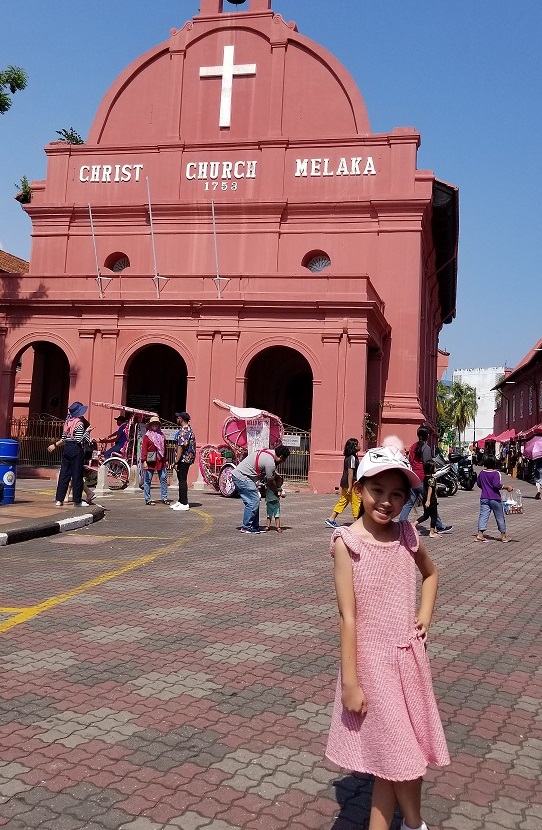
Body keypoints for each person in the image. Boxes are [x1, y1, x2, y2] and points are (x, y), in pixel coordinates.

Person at [325, 445, 449, 830]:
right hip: (372, 667)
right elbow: (348, 618)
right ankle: (415, 824)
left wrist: (423, 617)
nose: (387, 501)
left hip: (408, 661)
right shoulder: (348, 543)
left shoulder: (407, 534)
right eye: (378, 490)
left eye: (398, 494)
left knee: (392, 760)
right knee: (400, 754)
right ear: (359, 488)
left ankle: (411, 825)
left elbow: (431, 574)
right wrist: (350, 682)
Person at [399, 426, 453, 533]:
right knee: (431, 502)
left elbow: (410, 461)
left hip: (413, 477)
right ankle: (439, 525)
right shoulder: (426, 448)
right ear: (427, 436)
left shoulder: (413, 447)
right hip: (423, 478)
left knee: (409, 503)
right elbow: (428, 465)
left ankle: (401, 523)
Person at [231, 445, 291, 534]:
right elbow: (270, 482)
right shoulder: (270, 462)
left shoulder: (270, 453)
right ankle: (247, 527)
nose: (282, 462)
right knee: (253, 501)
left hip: (242, 476)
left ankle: (254, 526)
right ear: (281, 456)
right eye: (283, 460)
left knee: (254, 500)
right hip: (242, 477)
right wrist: (277, 491)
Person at [47, 401, 90, 507]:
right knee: (76, 475)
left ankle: (59, 499)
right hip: (76, 449)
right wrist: (87, 431)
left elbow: (63, 439)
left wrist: (55, 445)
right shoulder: (79, 424)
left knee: (64, 475)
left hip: (67, 449)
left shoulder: (67, 423)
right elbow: (79, 439)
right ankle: (77, 501)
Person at [476, 456, 513, 542]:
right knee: (499, 516)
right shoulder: (496, 473)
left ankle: (480, 534)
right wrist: (506, 487)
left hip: (484, 497)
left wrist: (485, 488)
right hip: (495, 498)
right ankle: (503, 536)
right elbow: (496, 485)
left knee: (483, 516)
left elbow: (478, 483)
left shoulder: (482, 473)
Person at [325, 438, 361, 528]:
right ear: (354, 446)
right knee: (356, 502)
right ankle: (357, 522)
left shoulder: (348, 457)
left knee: (343, 501)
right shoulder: (352, 458)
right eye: (358, 444)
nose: (360, 446)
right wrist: (350, 486)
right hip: (351, 484)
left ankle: (331, 518)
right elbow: (350, 472)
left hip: (345, 482)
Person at [141, 415, 170, 506]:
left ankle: (164, 498)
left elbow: (165, 448)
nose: (154, 426)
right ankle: (147, 499)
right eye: (153, 424)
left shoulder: (162, 435)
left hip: (160, 460)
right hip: (150, 460)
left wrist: (166, 460)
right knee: (148, 480)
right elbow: (144, 449)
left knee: (163, 479)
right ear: (150, 425)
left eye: (156, 424)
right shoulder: (147, 436)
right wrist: (144, 461)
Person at [171, 411, 196, 512]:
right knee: (181, 479)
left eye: (178, 418)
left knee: (182, 479)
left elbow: (181, 447)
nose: (177, 419)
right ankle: (181, 500)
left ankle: (184, 503)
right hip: (186, 458)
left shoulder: (184, 431)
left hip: (184, 458)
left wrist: (176, 461)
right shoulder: (186, 429)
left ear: (181, 419)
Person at [415, 460, 439, 538]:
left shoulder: (426, 478)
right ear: (431, 468)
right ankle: (431, 532)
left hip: (425, 498)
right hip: (431, 499)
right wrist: (429, 500)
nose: (436, 468)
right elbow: (430, 489)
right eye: (435, 467)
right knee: (434, 516)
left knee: (426, 515)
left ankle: (414, 524)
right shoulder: (432, 479)